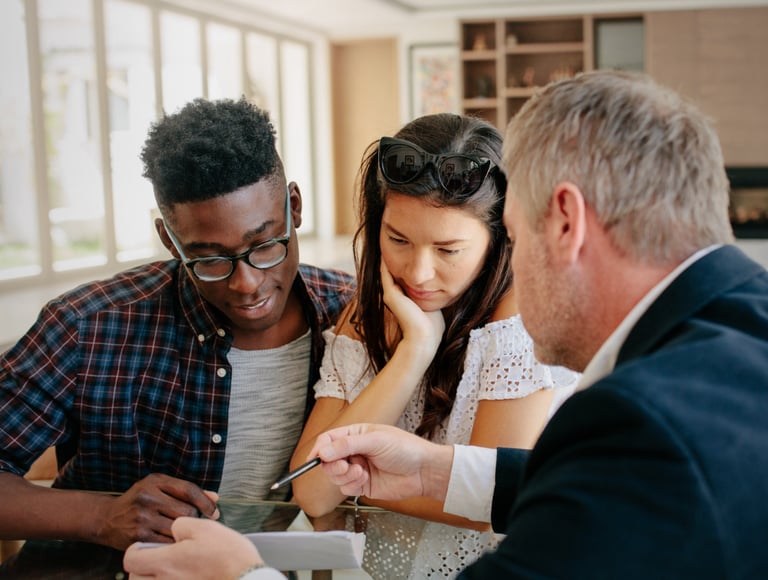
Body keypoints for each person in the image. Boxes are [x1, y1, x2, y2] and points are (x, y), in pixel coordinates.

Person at [124, 70, 768, 579]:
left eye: (512, 234)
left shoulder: (647, 416)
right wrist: (435, 472)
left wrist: (244, 576)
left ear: (564, 224)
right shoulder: (738, 332)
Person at [0, 97, 354, 551]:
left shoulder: (351, 317)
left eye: (266, 244)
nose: (247, 283)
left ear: (294, 207)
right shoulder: (88, 326)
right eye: (209, 259)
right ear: (170, 240)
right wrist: (99, 516)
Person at [288, 113, 577, 578]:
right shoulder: (368, 314)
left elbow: (486, 502)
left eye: (448, 250)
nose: (418, 274)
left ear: (497, 240)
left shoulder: (520, 320)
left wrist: (354, 486)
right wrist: (414, 351)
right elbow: (313, 492)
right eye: (397, 239)